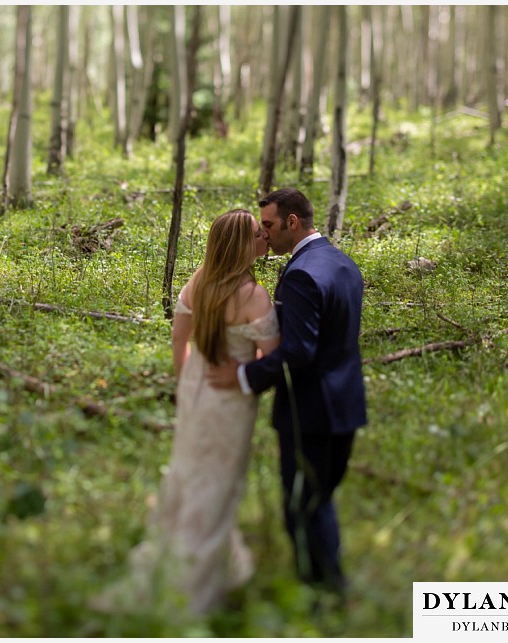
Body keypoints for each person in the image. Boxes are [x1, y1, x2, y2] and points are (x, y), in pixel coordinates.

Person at [91, 209, 279, 616]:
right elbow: (272, 357)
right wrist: (243, 371)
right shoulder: (254, 296)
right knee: (218, 482)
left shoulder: (198, 283)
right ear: (239, 245)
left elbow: (180, 340)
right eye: (255, 233)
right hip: (230, 400)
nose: (264, 237)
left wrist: (186, 383)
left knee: (190, 473)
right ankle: (192, 589)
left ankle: (204, 564)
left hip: (195, 392)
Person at [207, 188, 367, 596]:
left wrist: (243, 377)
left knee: (302, 507)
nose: (265, 235)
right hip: (346, 406)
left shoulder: (299, 275)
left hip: (308, 411)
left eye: (269, 226)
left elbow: (297, 352)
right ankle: (327, 589)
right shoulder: (344, 264)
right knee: (321, 500)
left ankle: (322, 593)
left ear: (291, 223)